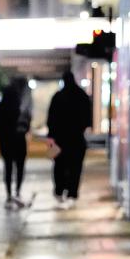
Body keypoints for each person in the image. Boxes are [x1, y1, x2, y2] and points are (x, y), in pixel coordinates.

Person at [46, 70, 93, 207]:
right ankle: (72, 192)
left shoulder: (58, 96)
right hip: (77, 139)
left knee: (59, 165)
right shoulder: (82, 96)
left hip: (60, 140)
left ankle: (59, 190)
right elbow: (87, 119)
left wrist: (52, 136)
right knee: (76, 166)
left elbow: (51, 119)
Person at [0, 77, 31, 208]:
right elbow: (26, 124)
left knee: (8, 167)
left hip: (6, 142)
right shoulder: (20, 107)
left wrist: (3, 135)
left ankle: (9, 194)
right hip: (19, 141)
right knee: (20, 167)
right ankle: (18, 191)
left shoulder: (1, 107)